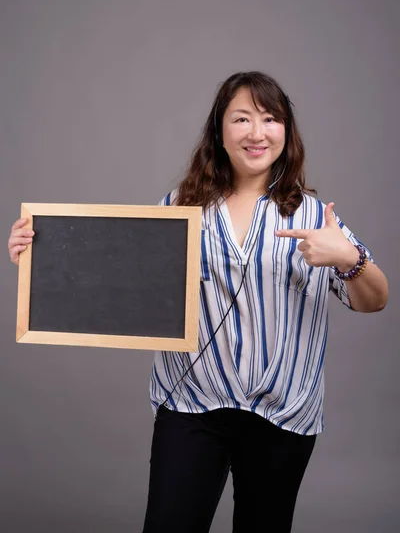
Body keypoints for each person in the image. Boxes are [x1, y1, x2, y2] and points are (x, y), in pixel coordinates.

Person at [8, 71, 388, 533]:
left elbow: (375, 300)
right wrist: (40, 254)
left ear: (286, 133)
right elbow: (115, 288)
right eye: (241, 118)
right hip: (191, 405)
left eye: (270, 119)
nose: (256, 132)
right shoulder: (178, 209)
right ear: (219, 131)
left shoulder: (314, 216)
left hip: (284, 412)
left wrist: (350, 259)